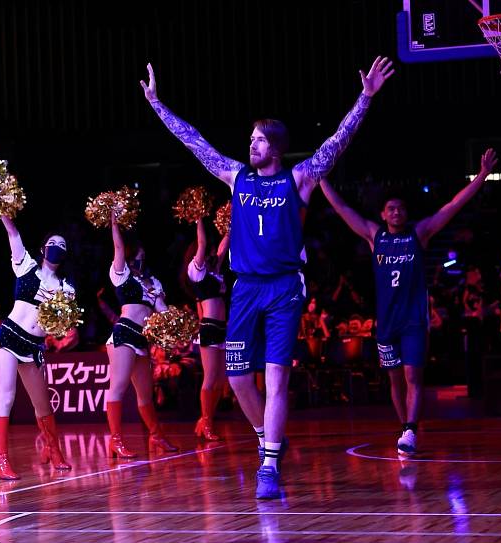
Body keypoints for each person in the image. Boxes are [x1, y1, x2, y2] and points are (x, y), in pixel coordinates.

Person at [141, 56, 394, 498]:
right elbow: (194, 142)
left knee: (275, 378)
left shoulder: (298, 179)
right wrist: (157, 104)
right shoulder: (237, 177)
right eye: (251, 139)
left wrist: (365, 97)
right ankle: (267, 440)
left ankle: (269, 469)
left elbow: (338, 141)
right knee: (236, 379)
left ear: (274, 148)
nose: (251, 144)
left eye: (258, 140)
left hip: (283, 290)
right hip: (244, 289)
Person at [318, 148, 498, 456]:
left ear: (406, 213)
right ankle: (405, 428)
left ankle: (411, 429)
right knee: (394, 379)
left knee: (413, 375)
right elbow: (343, 208)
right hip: (386, 321)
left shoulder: (420, 233)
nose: (396, 212)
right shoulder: (374, 236)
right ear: (383, 214)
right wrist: (321, 180)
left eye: (400, 208)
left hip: (414, 319)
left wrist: (481, 175)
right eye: (391, 209)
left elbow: (454, 205)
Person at [0, 218, 73, 479]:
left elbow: (62, 326)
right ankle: (0, 460)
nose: (57, 247)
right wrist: (4, 210)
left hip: (34, 345)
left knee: (42, 403)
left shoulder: (65, 288)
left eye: (63, 245)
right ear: (42, 248)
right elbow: (13, 232)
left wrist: (60, 331)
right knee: (6, 397)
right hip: (9, 337)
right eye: (53, 243)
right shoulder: (25, 265)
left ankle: (53, 449)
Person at [105, 216, 177, 459]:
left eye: (144, 256)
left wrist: (176, 325)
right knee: (118, 387)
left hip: (142, 339)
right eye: (137, 255)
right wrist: (115, 224)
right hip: (124, 333)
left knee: (145, 393)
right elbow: (117, 248)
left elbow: (163, 309)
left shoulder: (152, 282)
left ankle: (156, 435)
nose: (141, 259)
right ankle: (115, 440)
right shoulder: (122, 275)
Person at [185, 218, 230, 441]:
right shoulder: (197, 271)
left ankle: (205, 420)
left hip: (223, 328)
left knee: (221, 381)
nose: (212, 253)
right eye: (208, 251)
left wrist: (231, 226)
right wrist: (199, 218)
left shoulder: (215, 272)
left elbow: (224, 247)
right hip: (210, 328)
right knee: (210, 378)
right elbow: (201, 243)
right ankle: (207, 422)